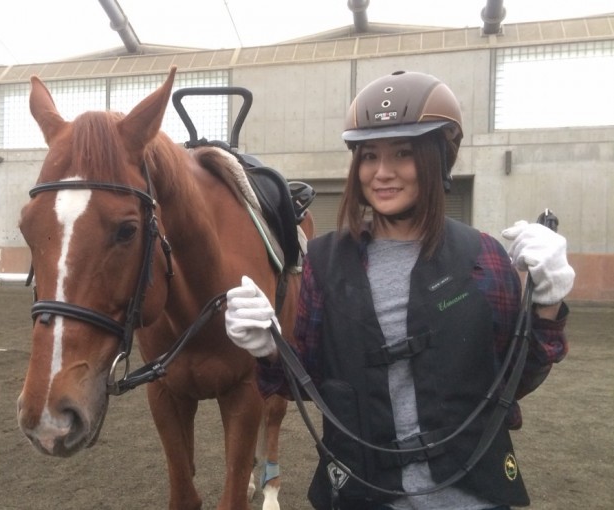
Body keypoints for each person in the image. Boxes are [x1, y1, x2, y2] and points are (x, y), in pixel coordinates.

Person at [224, 70, 574, 510]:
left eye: (403, 154)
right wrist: (270, 349)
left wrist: (548, 302)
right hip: (359, 493)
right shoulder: (324, 262)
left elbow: (518, 377)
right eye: (369, 156)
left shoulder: (483, 257)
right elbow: (307, 382)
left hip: (471, 496)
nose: (382, 173)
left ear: (438, 159)